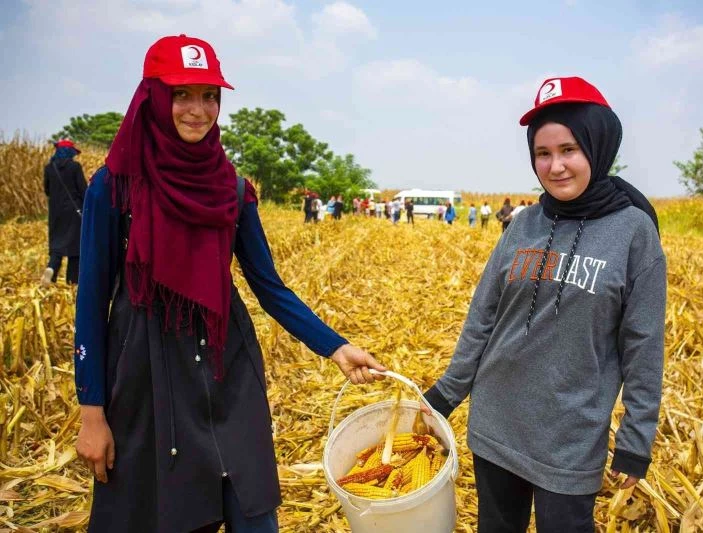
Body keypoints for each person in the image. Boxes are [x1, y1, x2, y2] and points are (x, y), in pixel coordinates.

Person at [72, 34, 386, 533]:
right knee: (163, 513)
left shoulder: (232, 188)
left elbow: (269, 286)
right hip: (146, 371)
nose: (198, 110)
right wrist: (92, 413)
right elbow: (90, 302)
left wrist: (336, 347)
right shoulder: (115, 186)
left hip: (226, 364)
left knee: (253, 508)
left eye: (210, 95)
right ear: (153, 96)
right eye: (182, 94)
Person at [423, 77, 665, 533]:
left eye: (569, 149)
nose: (555, 166)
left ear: (598, 144)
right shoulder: (523, 225)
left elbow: (644, 344)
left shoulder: (634, 233)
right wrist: (445, 394)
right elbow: (483, 318)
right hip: (495, 425)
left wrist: (636, 437)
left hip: (569, 441)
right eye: (542, 153)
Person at [41, 139, 87, 285]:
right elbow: (83, 190)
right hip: (74, 212)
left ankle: (51, 269)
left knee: (57, 244)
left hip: (56, 213)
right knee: (75, 247)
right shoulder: (75, 167)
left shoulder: (49, 168)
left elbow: (47, 190)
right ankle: (72, 281)